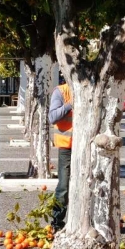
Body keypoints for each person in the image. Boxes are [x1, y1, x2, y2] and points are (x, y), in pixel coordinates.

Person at [48, 78, 73, 231]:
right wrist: (70, 105)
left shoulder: (93, 88)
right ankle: (57, 222)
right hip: (67, 147)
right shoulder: (61, 91)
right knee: (64, 186)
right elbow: (52, 117)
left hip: (88, 146)